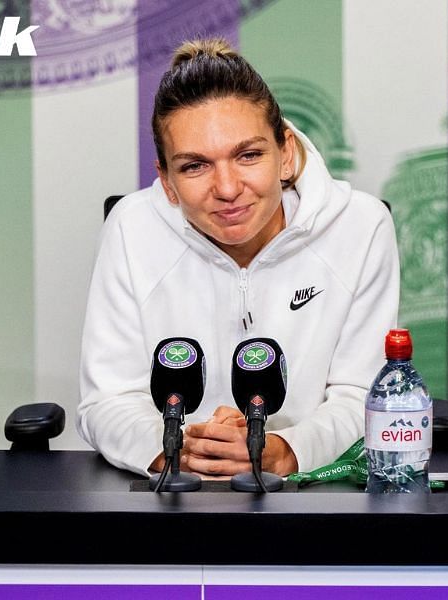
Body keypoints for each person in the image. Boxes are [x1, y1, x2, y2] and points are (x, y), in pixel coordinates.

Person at [77, 39, 399, 478]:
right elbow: (108, 400)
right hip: (174, 496)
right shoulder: (131, 226)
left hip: (310, 498)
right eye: (194, 166)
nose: (227, 188)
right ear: (167, 181)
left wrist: (286, 449)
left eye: (248, 155)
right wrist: (177, 450)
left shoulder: (362, 226)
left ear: (285, 153)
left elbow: (362, 394)